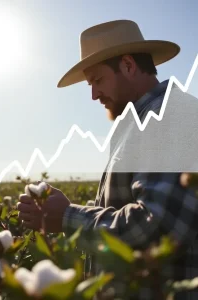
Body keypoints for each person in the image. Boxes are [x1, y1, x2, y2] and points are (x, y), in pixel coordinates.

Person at [17, 20, 198, 299]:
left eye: (97, 80)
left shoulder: (170, 115)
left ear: (128, 65)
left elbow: (157, 228)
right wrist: (66, 208)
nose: (93, 95)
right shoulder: (141, 121)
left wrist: (65, 216)